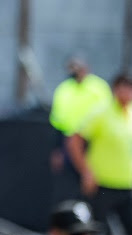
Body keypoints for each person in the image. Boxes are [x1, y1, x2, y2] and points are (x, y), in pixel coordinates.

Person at [66, 73, 132, 235]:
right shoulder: (101, 112)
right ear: (115, 88)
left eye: (131, 88)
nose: (128, 93)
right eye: (123, 87)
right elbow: (74, 141)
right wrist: (86, 172)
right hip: (102, 187)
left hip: (127, 187)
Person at [48, 57, 112, 205]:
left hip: (92, 142)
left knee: (92, 182)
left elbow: (108, 115)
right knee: (68, 185)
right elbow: (58, 122)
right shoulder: (64, 89)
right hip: (70, 142)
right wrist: (57, 148)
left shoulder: (98, 87)